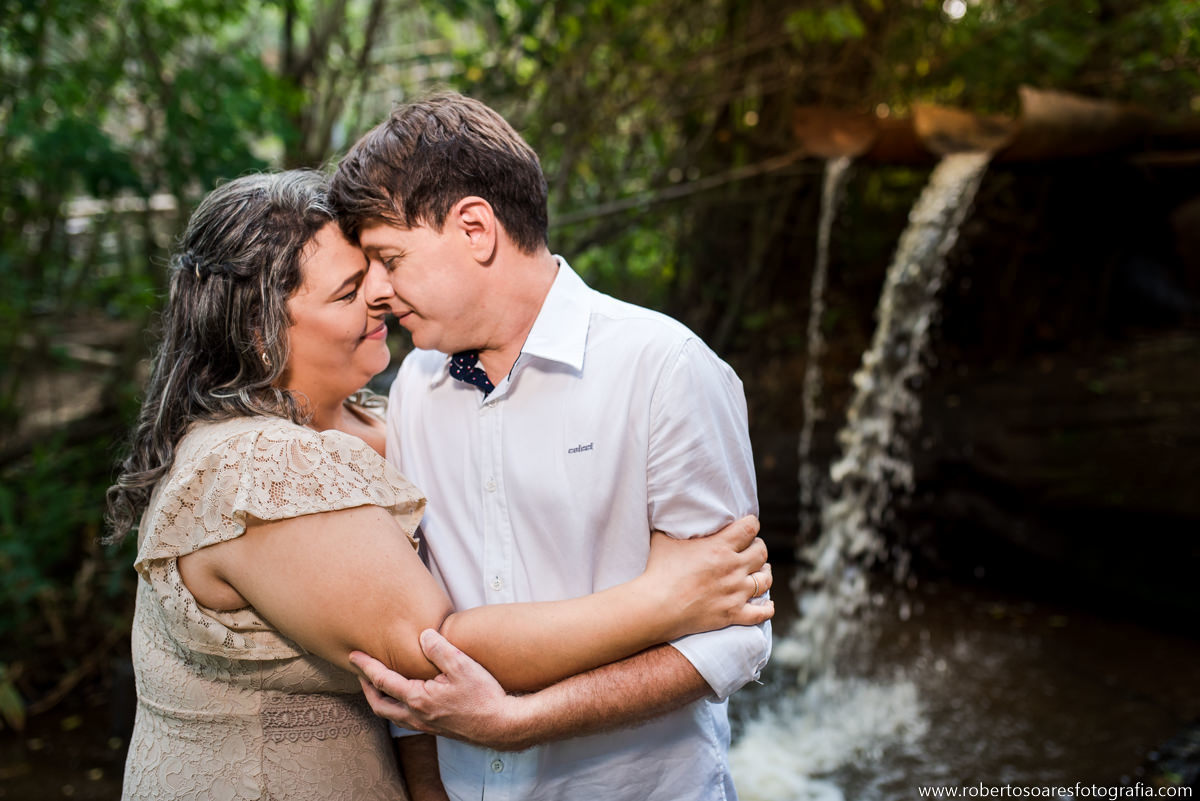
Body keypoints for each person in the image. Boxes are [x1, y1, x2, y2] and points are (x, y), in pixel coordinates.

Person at [105, 170, 774, 800]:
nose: (380, 295)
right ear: (260, 329)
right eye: (349, 290)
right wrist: (665, 599)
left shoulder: (392, 411)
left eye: (381, 266)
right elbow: (435, 651)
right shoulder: (257, 464)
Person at [328, 92, 771, 801]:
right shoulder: (415, 385)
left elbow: (731, 635)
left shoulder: (664, 367)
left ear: (476, 229)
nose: (375, 291)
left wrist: (522, 722)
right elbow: (413, 631)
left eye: (389, 258)